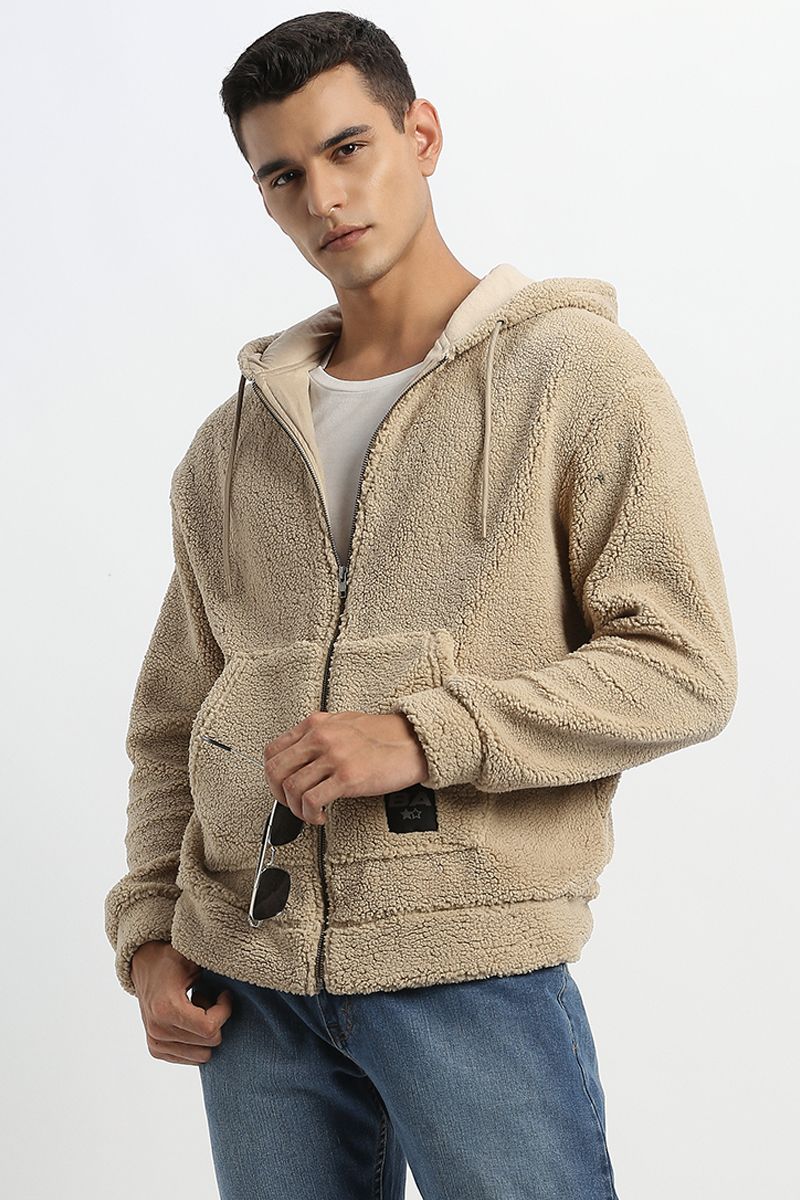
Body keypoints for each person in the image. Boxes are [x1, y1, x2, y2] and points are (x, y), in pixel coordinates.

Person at [104, 12, 737, 1200]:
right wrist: (148, 928)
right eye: (282, 175)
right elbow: (173, 719)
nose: (323, 197)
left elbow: (681, 665)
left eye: (348, 148)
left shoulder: (575, 378)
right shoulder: (227, 448)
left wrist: (422, 734)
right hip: (250, 986)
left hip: (469, 963)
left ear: (421, 135)